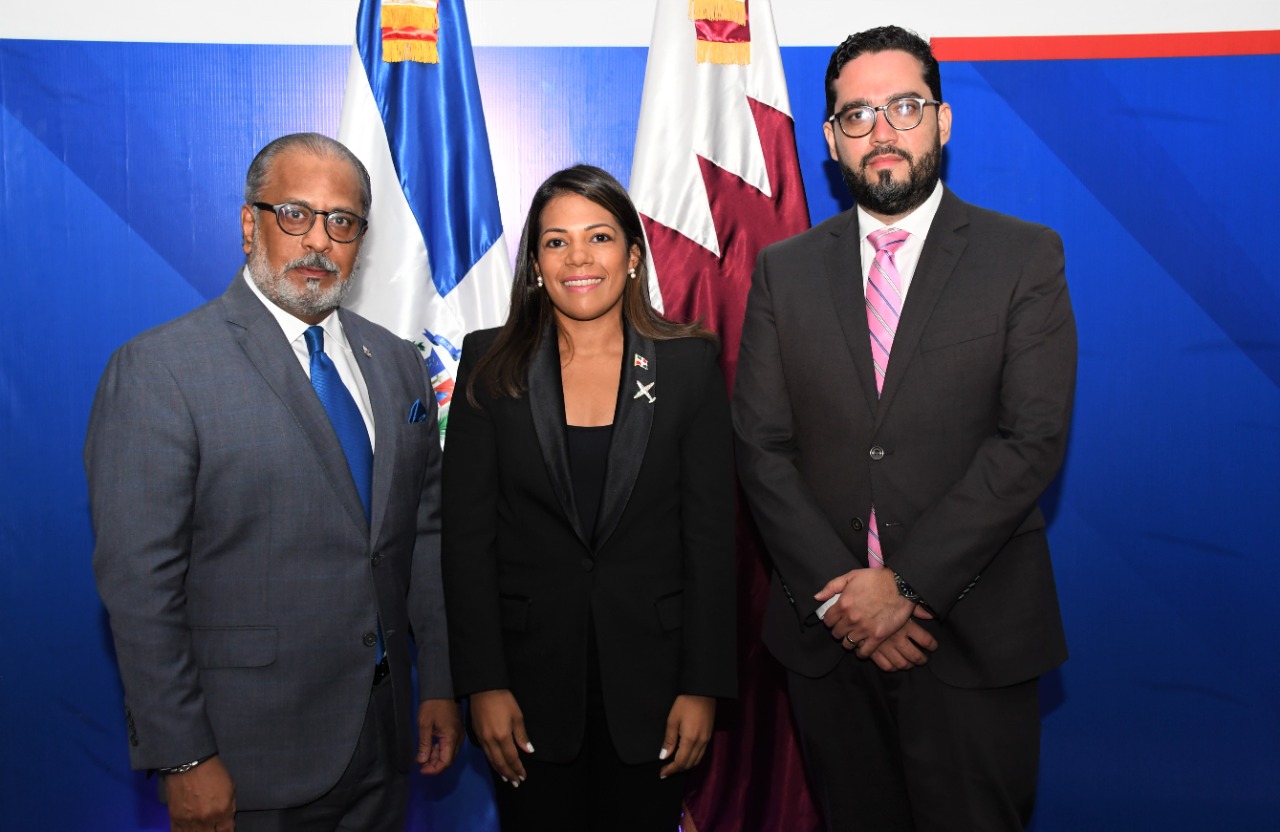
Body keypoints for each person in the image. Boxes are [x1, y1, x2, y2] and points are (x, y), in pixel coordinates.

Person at [732, 26, 1076, 832]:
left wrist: (905, 588)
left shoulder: (1024, 257)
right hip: (831, 643)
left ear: (943, 121)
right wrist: (849, 602)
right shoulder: (783, 271)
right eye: (857, 114)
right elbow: (760, 448)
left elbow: (1030, 440)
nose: (882, 131)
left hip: (975, 638)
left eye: (905, 107)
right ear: (831, 140)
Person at [86, 132, 462, 831]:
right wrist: (182, 757)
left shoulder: (398, 365)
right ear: (248, 223)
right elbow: (141, 588)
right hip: (244, 761)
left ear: (360, 240)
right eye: (295, 213)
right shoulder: (161, 370)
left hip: (383, 745)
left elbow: (422, 536)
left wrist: (438, 679)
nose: (318, 240)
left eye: (341, 221)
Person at [441, 165, 736, 831]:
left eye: (599, 237)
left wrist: (703, 687)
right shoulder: (489, 365)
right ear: (535, 265)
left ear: (632, 256)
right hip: (525, 692)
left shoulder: (688, 365)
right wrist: (483, 683)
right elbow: (465, 542)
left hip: (657, 691)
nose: (578, 257)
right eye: (556, 241)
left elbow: (712, 542)